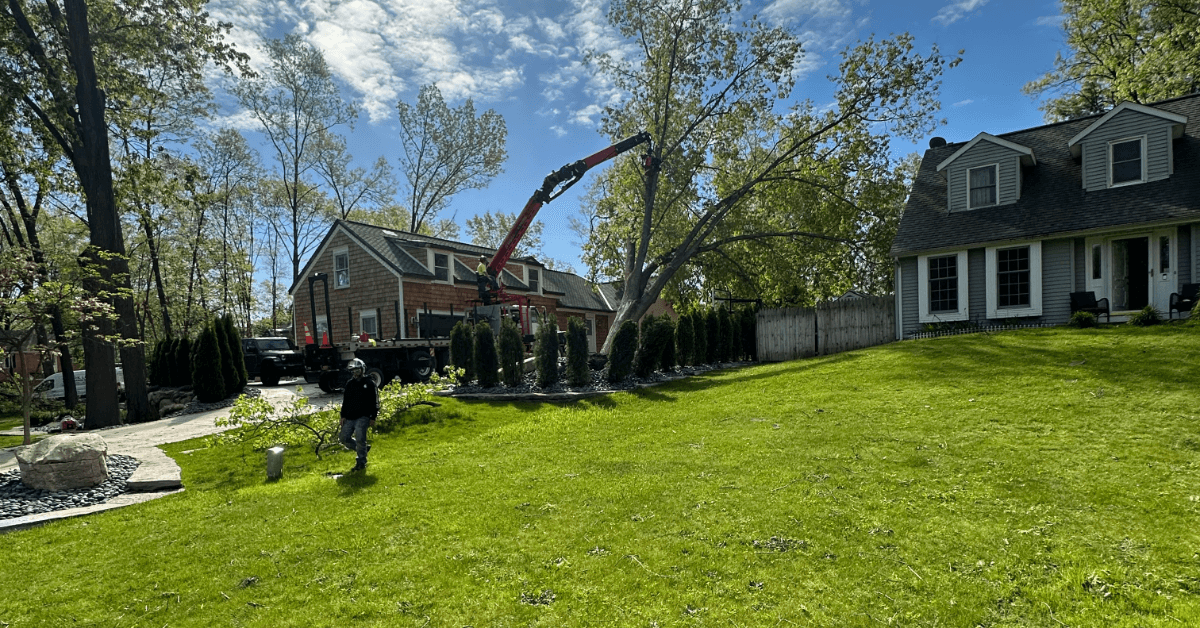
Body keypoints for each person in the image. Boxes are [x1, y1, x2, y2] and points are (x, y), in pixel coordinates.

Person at [339, 358, 378, 471]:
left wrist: (373, 417)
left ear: (362, 370)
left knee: (360, 438)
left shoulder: (369, 383)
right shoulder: (350, 384)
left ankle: (361, 462)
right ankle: (364, 449)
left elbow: (374, 401)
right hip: (350, 416)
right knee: (343, 437)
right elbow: (345, 401)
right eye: (354, 371)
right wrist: (343, 416)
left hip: (363, 416)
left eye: (358, 371)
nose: (355, 373)